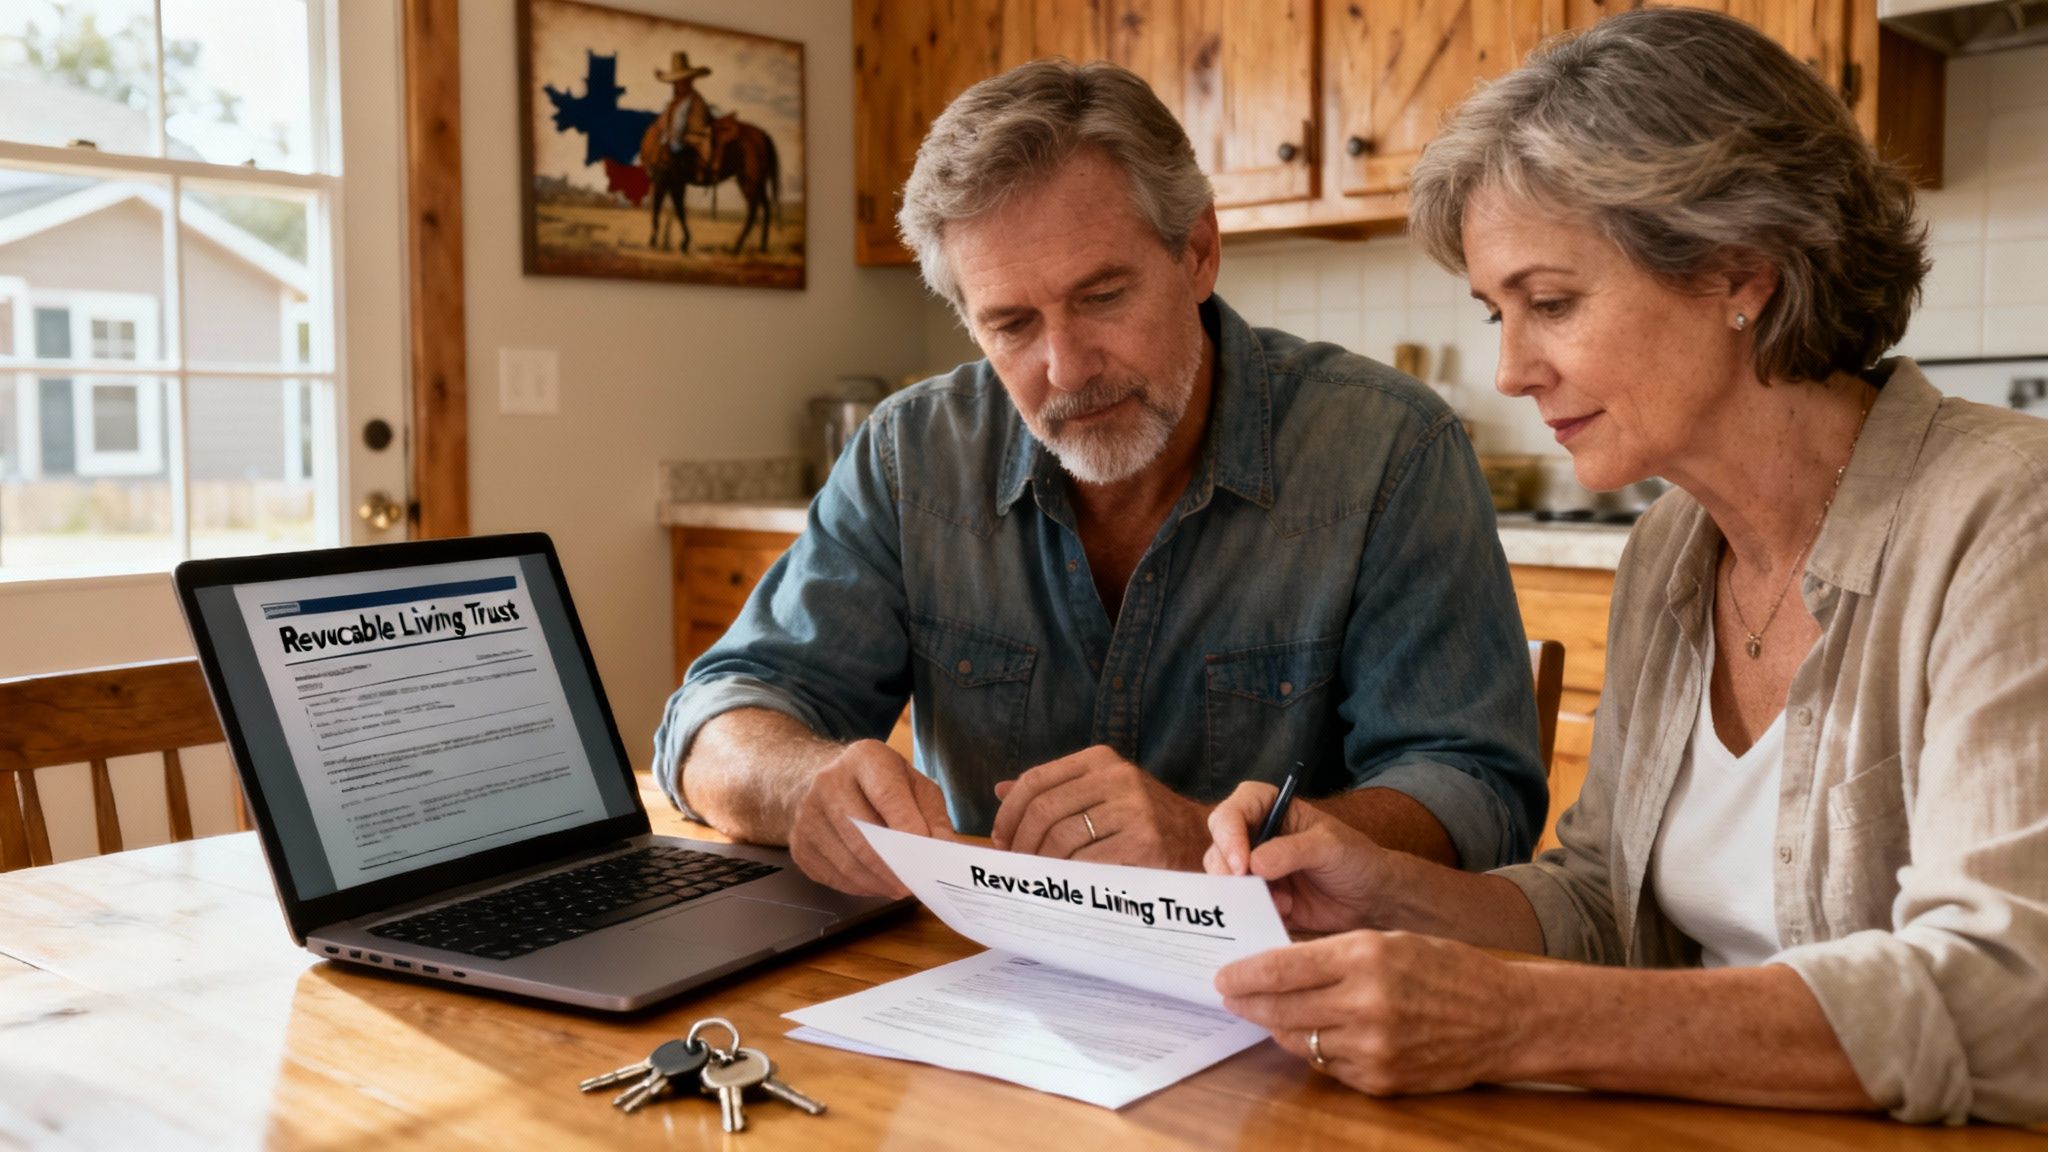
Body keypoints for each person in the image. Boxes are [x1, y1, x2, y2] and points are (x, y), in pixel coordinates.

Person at [1205, 9, 2048, 1126]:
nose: (1508, 370)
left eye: (1549, 303)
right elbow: (1605, 905)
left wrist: (1514, 1019)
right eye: (1494, 312)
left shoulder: (2007, 520)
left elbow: (2006, 1003)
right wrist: (1385, 891)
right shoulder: (1668, 547)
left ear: (1737, 272)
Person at [653, 59, 1547, 898]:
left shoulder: (1386, 446)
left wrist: (1211, 841)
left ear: (1197, 253)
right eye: (1011, 325)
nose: (1067, 368)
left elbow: (1475, 794)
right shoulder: (911, 455)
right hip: (985, 995)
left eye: (1103, 296)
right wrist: (805, 780)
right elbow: (713, 720)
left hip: (1299, 1000)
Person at [655, 51, 715, 173]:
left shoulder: (697, 102)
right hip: (670, 149)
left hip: (688, 151)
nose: (679, 85)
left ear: (690, 81)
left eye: (683, 81)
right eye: (677, 82)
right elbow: (662, 125)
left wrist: (684, 139)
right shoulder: (673, 104)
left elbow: (699, 129)